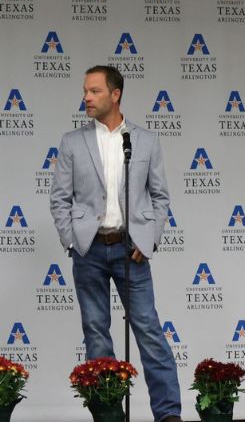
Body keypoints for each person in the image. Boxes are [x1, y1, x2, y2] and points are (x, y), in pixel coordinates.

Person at [49, 65, 182, 422]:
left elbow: (160, 198)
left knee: (149, 331)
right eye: (85, 91)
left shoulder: (146, 140)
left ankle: (168, 414)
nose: (86, 98)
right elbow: (59, 199)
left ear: (115, 94)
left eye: (94, 91)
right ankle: (108, 413)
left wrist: (149, 240)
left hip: (131, 250)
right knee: (96, 332)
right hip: (89, 250)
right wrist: (73, 241)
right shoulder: (71, 142)